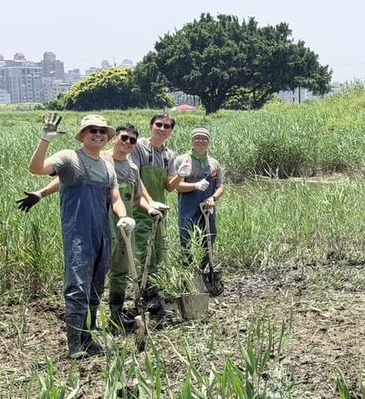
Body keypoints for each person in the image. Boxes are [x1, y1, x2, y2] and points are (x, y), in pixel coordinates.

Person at [18, 124, 163, 331]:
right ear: (115, 139)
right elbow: (63, 179)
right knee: (86, 279)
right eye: (124, 138)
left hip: (121, 225)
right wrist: (41, 193)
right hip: (95, 225)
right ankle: (83, 331)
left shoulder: (129, 168)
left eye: (133, 140)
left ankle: (114, 316)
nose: (128, 143)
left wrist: (148, 209)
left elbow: (134, 196)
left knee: (115, 274)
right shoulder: (99, 158)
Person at [27, 114, 135, 358]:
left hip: (102, 233)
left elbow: (115, 197)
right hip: (78, 232)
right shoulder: (69, 158)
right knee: (77, 286)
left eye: (102, 131)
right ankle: (74, 344)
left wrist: (123, 216)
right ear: (83, 135)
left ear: (107, 137)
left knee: (96, 287)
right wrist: (45, 140)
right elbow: (36, 169)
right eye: (92, 130)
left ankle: (88, 339)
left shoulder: (108, 165)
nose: (97, 134)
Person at [131, 114, 185, 310]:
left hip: (160, 208)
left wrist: (181, 175)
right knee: (144, 250)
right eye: (159, 125)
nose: (162, 129)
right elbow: (135, 177)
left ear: (171, 131)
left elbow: (170, 187)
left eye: (167, 126)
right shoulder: (138, 147)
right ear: (151, 126)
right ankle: (144, 292)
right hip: (140, 207)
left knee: (159, 251)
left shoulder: (169, 155)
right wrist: (149, 202)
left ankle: (154, 290)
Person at [174, 127, 226, 268]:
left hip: (207, 206)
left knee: (210, 235)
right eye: (197, 138)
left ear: (209, 142)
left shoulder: (214, 164)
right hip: (188, 206)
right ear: (192, 141)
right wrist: (195, 185)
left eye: (204, 139)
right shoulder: (182, 160)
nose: (200, 141)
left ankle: (205, 267)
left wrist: (213, 198)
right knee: (186, 236)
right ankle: (187, 268)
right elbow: (177, 186)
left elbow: (221, 186)